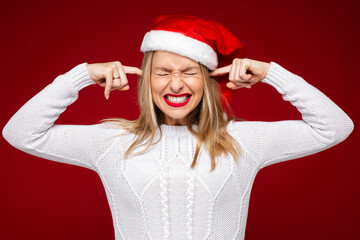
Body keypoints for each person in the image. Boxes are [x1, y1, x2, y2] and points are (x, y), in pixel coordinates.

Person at [2, 15, 354, 240]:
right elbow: (20, 133)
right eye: (163, 72)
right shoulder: (112, 142)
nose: (175, 84)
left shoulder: (242, 141)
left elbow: (334, 127)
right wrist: (82, 76)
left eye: (188, 72)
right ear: (145, 80)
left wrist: (270, 73)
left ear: (207, 79)